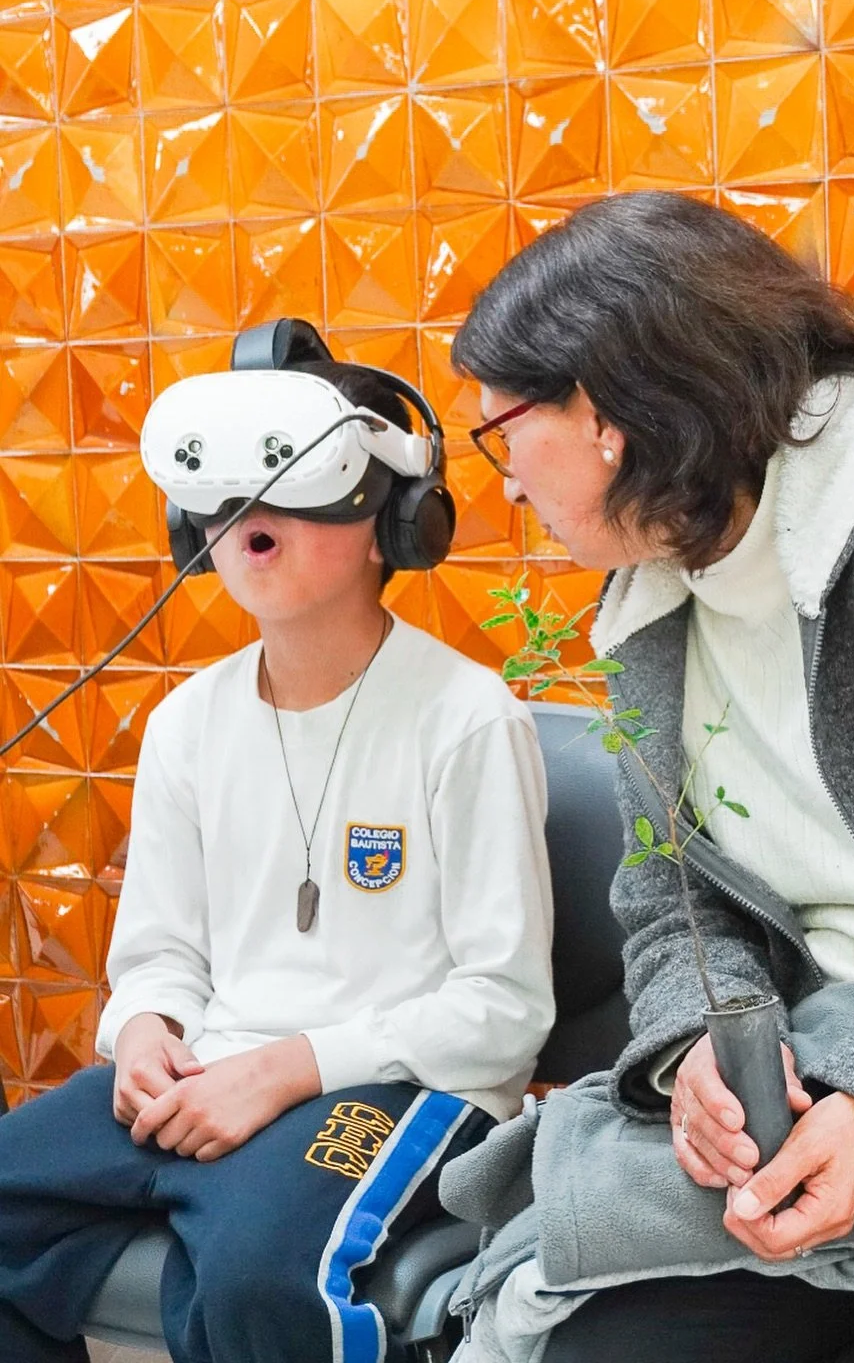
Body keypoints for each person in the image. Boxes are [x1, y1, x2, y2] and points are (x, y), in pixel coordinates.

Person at [450, 188, 854, 1361]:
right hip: (795, 1106)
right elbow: (671, 897)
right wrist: (702, 1047)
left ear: (607, 416)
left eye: (503, 434)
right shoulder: (650, 597)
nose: (504, 483)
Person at [0, 347, 555, 1363]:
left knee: (264, 1275)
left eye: (302, 487)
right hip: (206, 1071)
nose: (251, 521)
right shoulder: (186, 724)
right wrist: (143, 1031)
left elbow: (504, 1012)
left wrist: (294, 1066)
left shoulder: (466, 720)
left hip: (400, 1083)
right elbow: (159, 954)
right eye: (222, 496)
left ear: (394, 523)